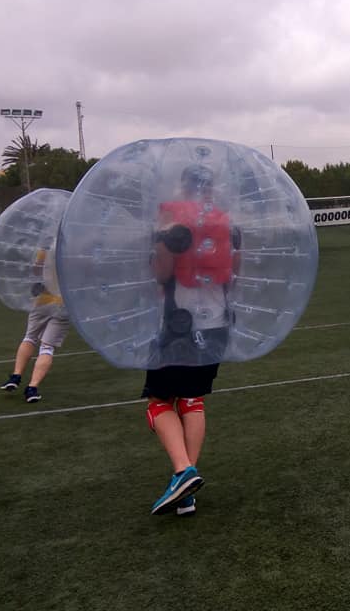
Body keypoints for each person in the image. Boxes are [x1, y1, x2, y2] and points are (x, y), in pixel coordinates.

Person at [144, 164, 240, 516]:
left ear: (185, 189)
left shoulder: (173, 222)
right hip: (216, 323)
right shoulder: (224, 222)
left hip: (178, 325)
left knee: (158, 401)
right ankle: (185, 491)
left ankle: (184, 471)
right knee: (192, 398)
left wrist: (161, 243)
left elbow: (162, 273)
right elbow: (235, 271)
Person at [0, 244, 70, 403]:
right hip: (64, 304)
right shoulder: (75, 251)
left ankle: (16, 376)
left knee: (30, 337)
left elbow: (36, 271)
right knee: (47, 347)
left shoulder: (46, 248)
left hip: (43, 299)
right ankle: (32, 388)